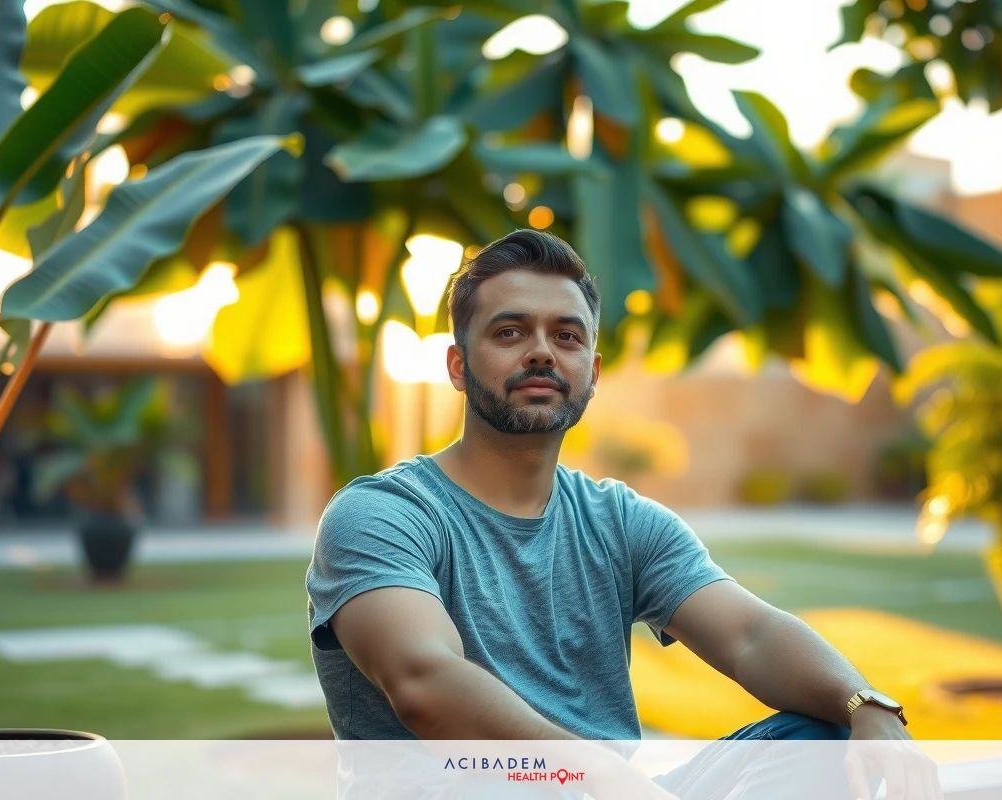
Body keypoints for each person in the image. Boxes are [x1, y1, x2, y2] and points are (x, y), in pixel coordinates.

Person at [305, 230, 938, 799]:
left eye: (567, 335)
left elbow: (751, 636)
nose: (542, 352)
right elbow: (426, 682)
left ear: (592, 370)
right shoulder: (382, 514)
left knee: (819, 737)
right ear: (456, 366)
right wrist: (596, 774)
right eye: (509, 332)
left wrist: (866, 703)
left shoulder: (619, 521)